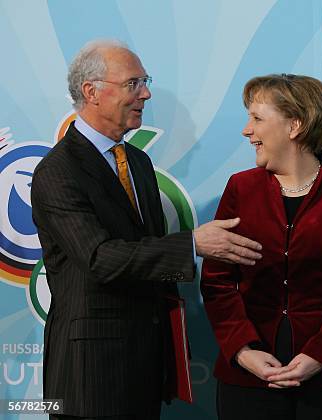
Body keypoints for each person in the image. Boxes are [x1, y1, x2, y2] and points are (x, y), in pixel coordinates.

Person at [31, 39, 262, 419]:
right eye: (134, 83)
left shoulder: (136, 161)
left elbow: (146, 252)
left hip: (145, 365)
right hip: (91, 376)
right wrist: (192, 245)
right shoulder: (58, 171)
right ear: (92, 92)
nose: (146, 93)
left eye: (146, 81)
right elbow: (99, 258)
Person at [201, 74, 322, 420]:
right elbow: (217, 279)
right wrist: (241, 350)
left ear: (295, 125)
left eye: (256, 118)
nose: (246, 130)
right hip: (251, 379)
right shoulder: (240, 188)